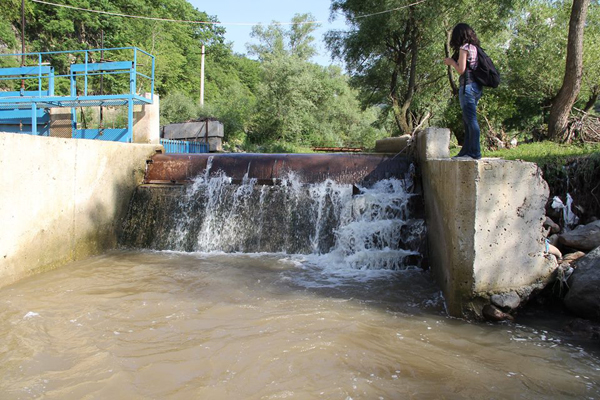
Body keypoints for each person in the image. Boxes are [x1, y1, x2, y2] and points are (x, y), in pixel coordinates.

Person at [444, 23, 482, 160]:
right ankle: (466, 151)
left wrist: (451, 62)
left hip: (467, 87)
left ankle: (475, 152)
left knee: (470, 120)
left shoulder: (464, 48)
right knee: (467, 120)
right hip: (477, 87)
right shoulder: (474, 48)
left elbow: (461, 70)